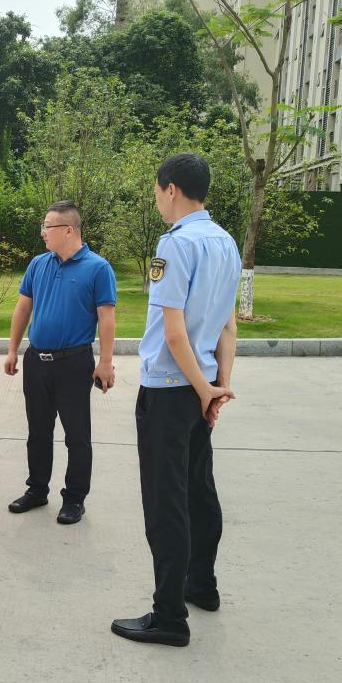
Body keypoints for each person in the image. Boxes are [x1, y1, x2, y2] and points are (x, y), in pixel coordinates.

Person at [111, 153, 240, 647]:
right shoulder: (225, 242)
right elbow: (227, 326)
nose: (156, 201)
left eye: (156, 192)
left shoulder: (176, 244)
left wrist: (207, 389)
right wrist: (216, 385)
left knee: (166, 502)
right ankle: (201, 584)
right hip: (201, 387)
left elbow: (173, 332)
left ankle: (168, 616)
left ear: (170, 190)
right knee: (199, 491)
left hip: (169, 390)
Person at [4, 201, 117, 525]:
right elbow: (23, 308)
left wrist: (105, 362)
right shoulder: (38, 264)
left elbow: (106, 317)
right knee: (38, 432)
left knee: (76, 435)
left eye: (47, 226)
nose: (43, 232)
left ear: (68, 230)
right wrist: (12, 349)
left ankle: (75, 499)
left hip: (74, 363)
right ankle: (37, 490)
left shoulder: (97, 268)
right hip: (37, 360)